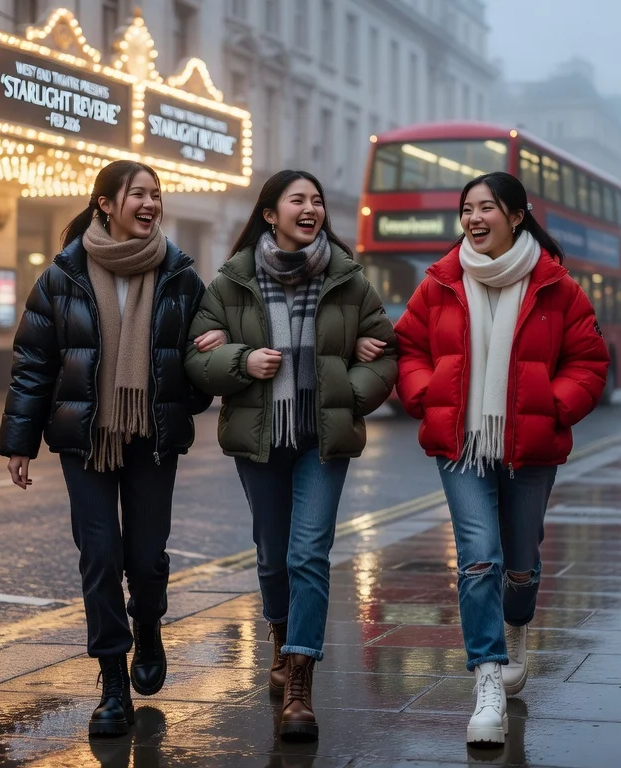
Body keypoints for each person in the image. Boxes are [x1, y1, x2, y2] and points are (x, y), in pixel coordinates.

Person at [0, 161, 212, 739]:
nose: (151, 203)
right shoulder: (62, 276)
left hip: (152, 437)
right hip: (85, 438)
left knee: (145, 558)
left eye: (156, 195)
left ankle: (148, 626)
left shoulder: (181, 276)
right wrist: (19, 442)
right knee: (99, 557)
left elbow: (201, 356)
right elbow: (34, 362)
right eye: (138, 194)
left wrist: (192, 384)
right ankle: (112, 681)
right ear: (105, 204)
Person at [395, 172, 609, 746]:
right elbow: (409, 347)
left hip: (530, 446)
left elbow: (589, 361)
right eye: (466, 208)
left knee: (520, 561)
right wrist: (424, 393)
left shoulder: (557, 286)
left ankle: (517, 624)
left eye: (486, 207)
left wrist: (553, 405)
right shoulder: (440, 280)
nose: (473, 218)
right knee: (478, 557)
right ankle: (486, 678)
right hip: (460, 443)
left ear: (517, 215)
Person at [185, 170, 397, 742]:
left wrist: (348, 392)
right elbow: (196, 359)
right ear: (270, 214)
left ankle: (300, 682)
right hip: (259, 438)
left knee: (309, 552)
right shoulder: (232, 281)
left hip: (320, 441)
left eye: (318, 200)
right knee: (273, 557)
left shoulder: (349, 280)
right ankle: (281, 636)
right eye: (297, 200)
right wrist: (239, 361)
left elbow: (385, 355)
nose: (311, 208)